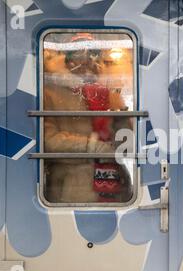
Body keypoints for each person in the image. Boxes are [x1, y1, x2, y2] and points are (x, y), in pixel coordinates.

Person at [42, 33, 132, 204]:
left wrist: (121, 115)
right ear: (68, 60)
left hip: (118, 193)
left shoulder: (107, 92)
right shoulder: (51, 93)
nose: (87, 62)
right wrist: (93, 147)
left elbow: (127, 146)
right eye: (80, 55)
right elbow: (48, 141)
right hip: (72, 192)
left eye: (93, 55)